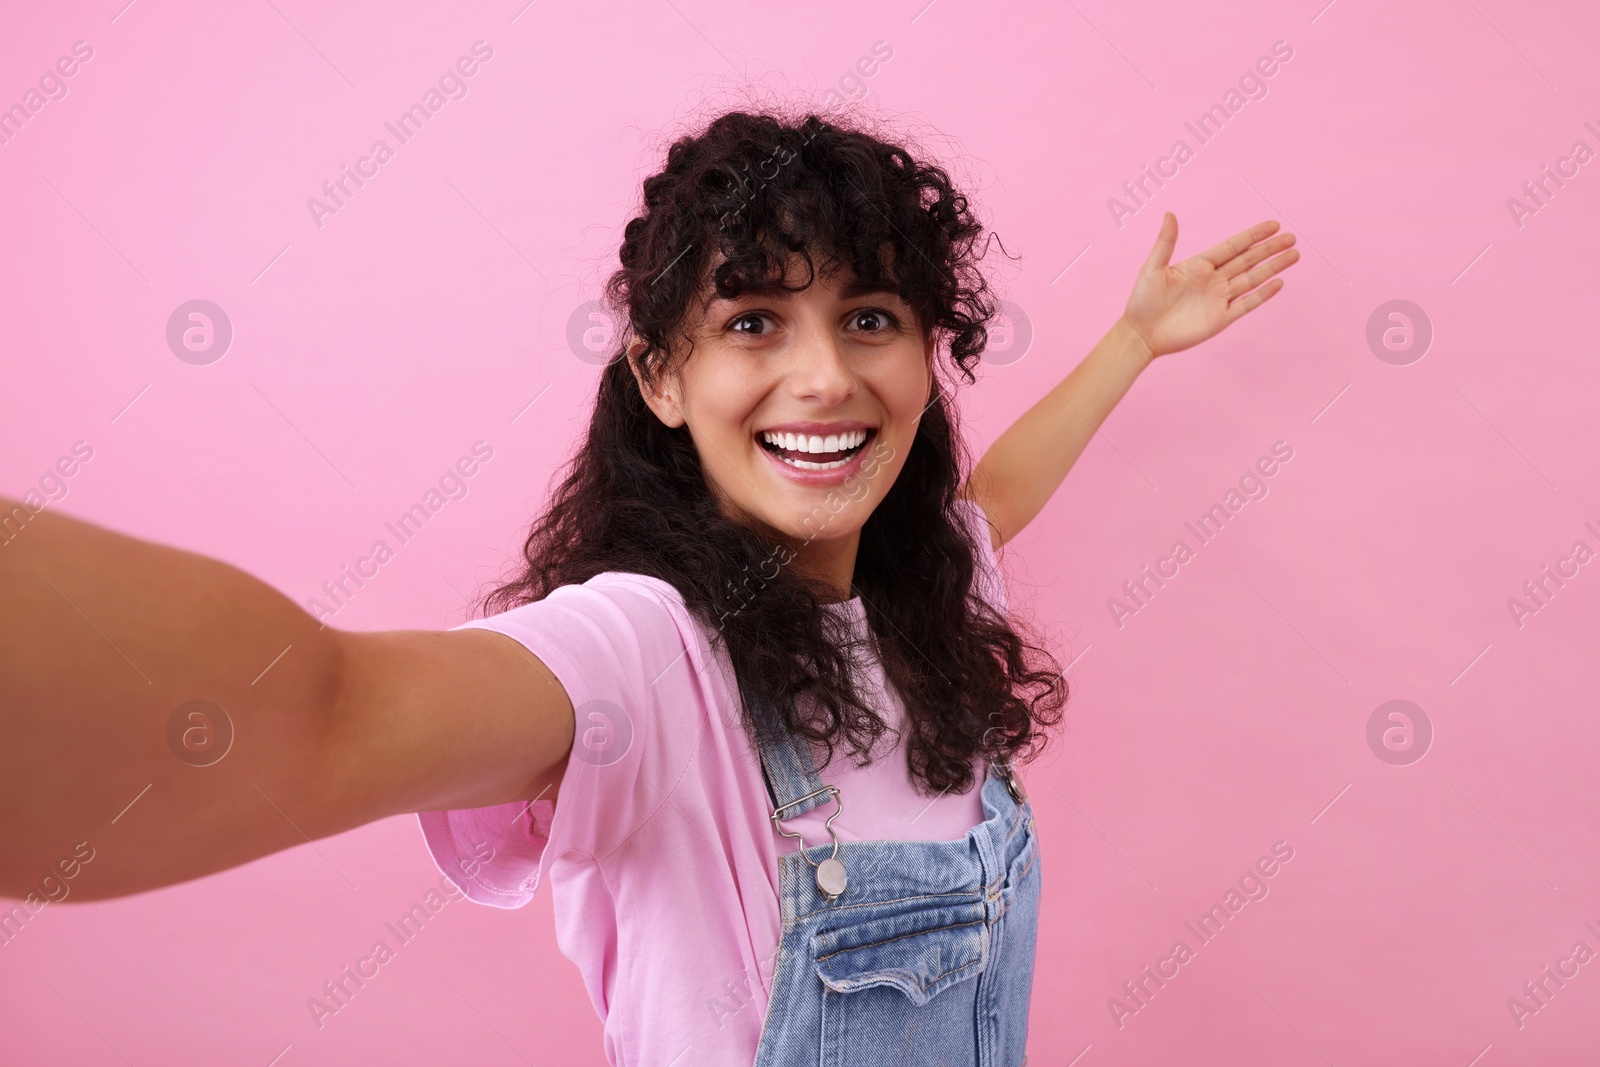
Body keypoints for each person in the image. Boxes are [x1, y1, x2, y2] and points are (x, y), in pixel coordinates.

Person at [0, 109, 1297, 1065]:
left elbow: (993, 495)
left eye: (870, 318)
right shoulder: (646, 654)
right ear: (660, 378)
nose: (826, 378)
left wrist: (1133, 340)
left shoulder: (924, 599)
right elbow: (324, 712)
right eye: (752, 322)